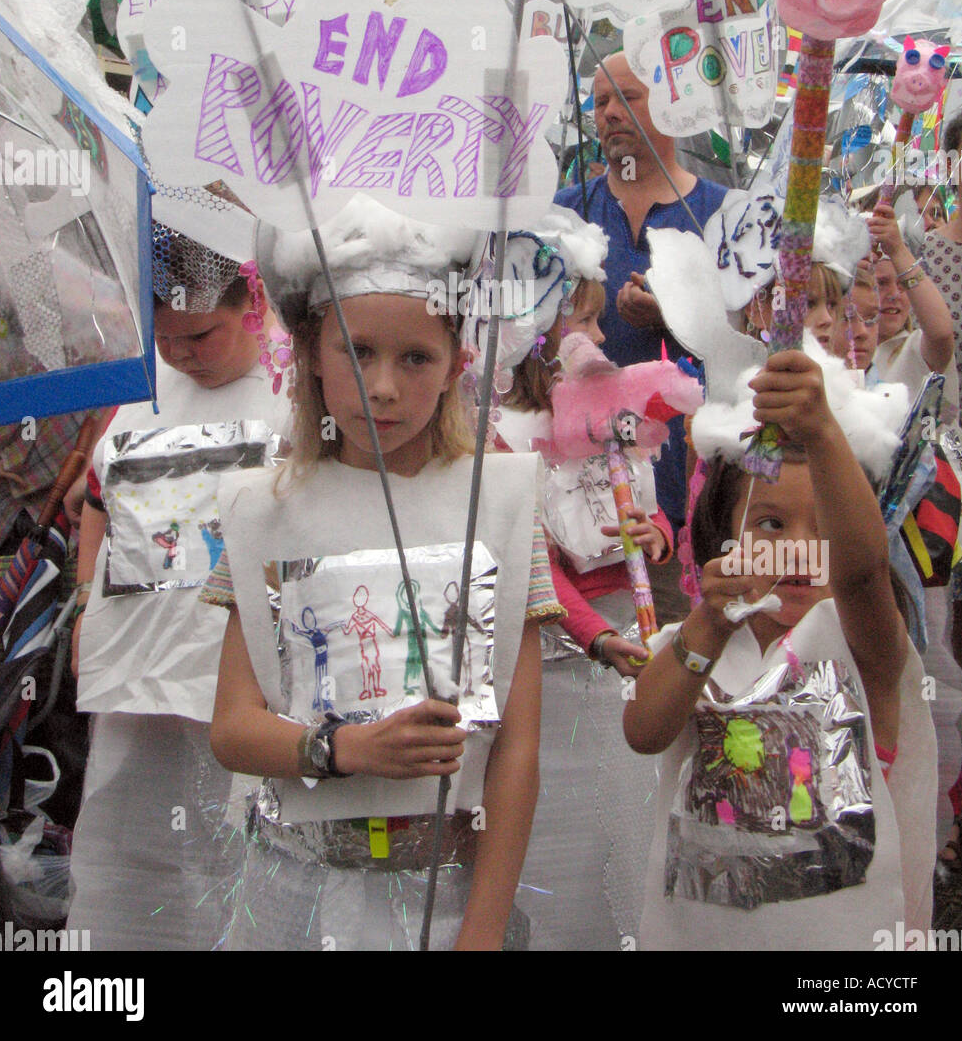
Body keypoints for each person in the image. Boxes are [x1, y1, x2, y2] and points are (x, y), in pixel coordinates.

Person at [204, 197, 560, 951]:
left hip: (446, 893)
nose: (384, 387)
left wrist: (483, 929)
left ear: (459, 363)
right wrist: (344, 749)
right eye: (357, 351)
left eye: (415, 358)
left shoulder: (497, 505)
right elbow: (233, 728)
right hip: (294, 895)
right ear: (309, 353)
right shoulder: (264, 510)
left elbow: (518, 750)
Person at [623, 347, 936, 949]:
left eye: (823, 530)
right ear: (724, 531)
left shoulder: (862, 646)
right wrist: (707, 630)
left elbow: (864, 574)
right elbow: (644, 730)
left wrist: (821, 430)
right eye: (769, 524)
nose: (796, 548)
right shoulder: (697, 642)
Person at [67, 226, 289, 950]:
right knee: (131, 855)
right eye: (165, 338)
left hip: (234, 675)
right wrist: (81, 610)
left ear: (251, 303)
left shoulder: (292, 394)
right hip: (136, 672)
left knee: (234, 854)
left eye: (201, 335)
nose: (181, 354)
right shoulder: (142, 390)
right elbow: (96, 501)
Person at [471, 207, 674, 948]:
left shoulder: (608, 406)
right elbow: (533, 565)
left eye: (594, 318)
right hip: (557, 659)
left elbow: (642, 501)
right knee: (558, 829)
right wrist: (594, 635)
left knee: (624, 811)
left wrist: (658, 533)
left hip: (623, 632)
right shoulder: (501, 435)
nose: (586, 336)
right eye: (570, 319)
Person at [555, 52, 725, 546]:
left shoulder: (719, 214)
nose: (607, 113)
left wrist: (673, 318)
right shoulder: (564, 215)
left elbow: (753, 345)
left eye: (626, 97)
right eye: (600, 100)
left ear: (673, 105)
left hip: (687, 499)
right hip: (580, 502)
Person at [868, 199, 957, 421]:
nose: (894, 295)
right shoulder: (841, 350)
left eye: (902, 285)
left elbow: (941, 333)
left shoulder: (915, 348)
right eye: (881, 283)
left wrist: (897, 250)